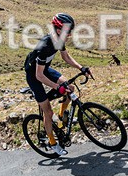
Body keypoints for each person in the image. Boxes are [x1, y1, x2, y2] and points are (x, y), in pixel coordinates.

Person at [24, 13, 90, 157]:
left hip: (44, 69)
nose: (70, 34)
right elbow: (38, 76)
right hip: (34, 75)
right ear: (59, 30)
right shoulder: (44, 46)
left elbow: (65, 56)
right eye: (68, 31)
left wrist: (81, 68)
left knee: (70, 88)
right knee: (48, 112)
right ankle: (53, 143)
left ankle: (61, 118)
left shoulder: (59, 38)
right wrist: (56, 87)